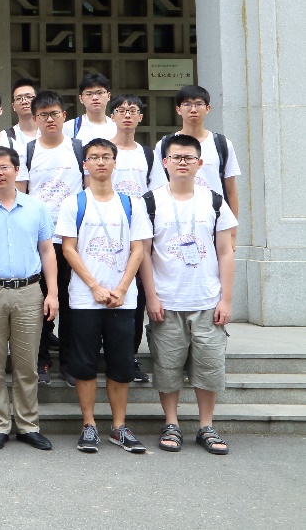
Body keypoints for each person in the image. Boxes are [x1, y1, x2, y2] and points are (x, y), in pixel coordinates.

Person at [140, 133, 237, 456]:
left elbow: (225, 252)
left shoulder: (214, 201)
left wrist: (226, 299)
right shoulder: (150, 202)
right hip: (167, 300)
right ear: (165, 162)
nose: (182, 163)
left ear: (200, 163)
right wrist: (151, 297)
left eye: (189, 158)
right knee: (167, 367)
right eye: (176, 157)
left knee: (209, 366)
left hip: (207, 299)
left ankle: (206, 425)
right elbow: (144, 255)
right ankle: (172, 423)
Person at [55, 139, 151, 454]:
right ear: (84, 164)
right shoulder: (73, 203)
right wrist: (94, 286)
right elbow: (68, 248)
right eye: (93, 157)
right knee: (84, 364)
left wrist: (121, 288)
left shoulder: (132, 204)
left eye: (106, 157)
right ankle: (89, 424)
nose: (100, 162)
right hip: (85, 298)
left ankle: (119, 426)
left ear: (114, 162)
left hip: (123, 299)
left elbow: (139, 249)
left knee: (121, 364)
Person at [0, 146, 58, 451]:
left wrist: (52, 293)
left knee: (26, 364)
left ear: (17, 170)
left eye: (4, 167)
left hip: (29, 291)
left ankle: (27, 425)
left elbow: (47, 251)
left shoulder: (36, 207)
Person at [21, 90, 86, 386]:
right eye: (44, 115)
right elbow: (21, 198)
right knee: (39, 302)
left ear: (64, 116)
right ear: (35, 118)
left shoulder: (77, 149)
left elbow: (88, 193)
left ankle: (69, 363)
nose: (50, 119)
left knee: (71, 302)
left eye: (55, 114)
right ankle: (41, 359)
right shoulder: (28, 151)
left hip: (72, 239)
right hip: (39, 241)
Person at [108, 93, 156, 382]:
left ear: (140, 117)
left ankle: (130, 356)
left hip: (138, 233)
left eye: (133, 110)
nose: (127, 114)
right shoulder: (103, 150)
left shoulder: (147, 154)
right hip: (105, 230)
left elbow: (154, 195)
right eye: (121, 110)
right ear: (112, 116)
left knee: (134, 296)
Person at [148, 85, 241, 217]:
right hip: (175, 216)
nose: (193, 109)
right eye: (187, 104)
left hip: (213, 215)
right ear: (178, 109)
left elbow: (231, 189)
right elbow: (158, 185)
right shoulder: (164, 145)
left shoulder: (222, 144)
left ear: (207, 108)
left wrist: (232, 225)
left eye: (198, 104)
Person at [63, 73, 116, 144]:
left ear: (109, 96)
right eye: (89, 94)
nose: (95, 98)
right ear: (81, 98)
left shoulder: (117, 127)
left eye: (100, 93)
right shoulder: (70, 127)